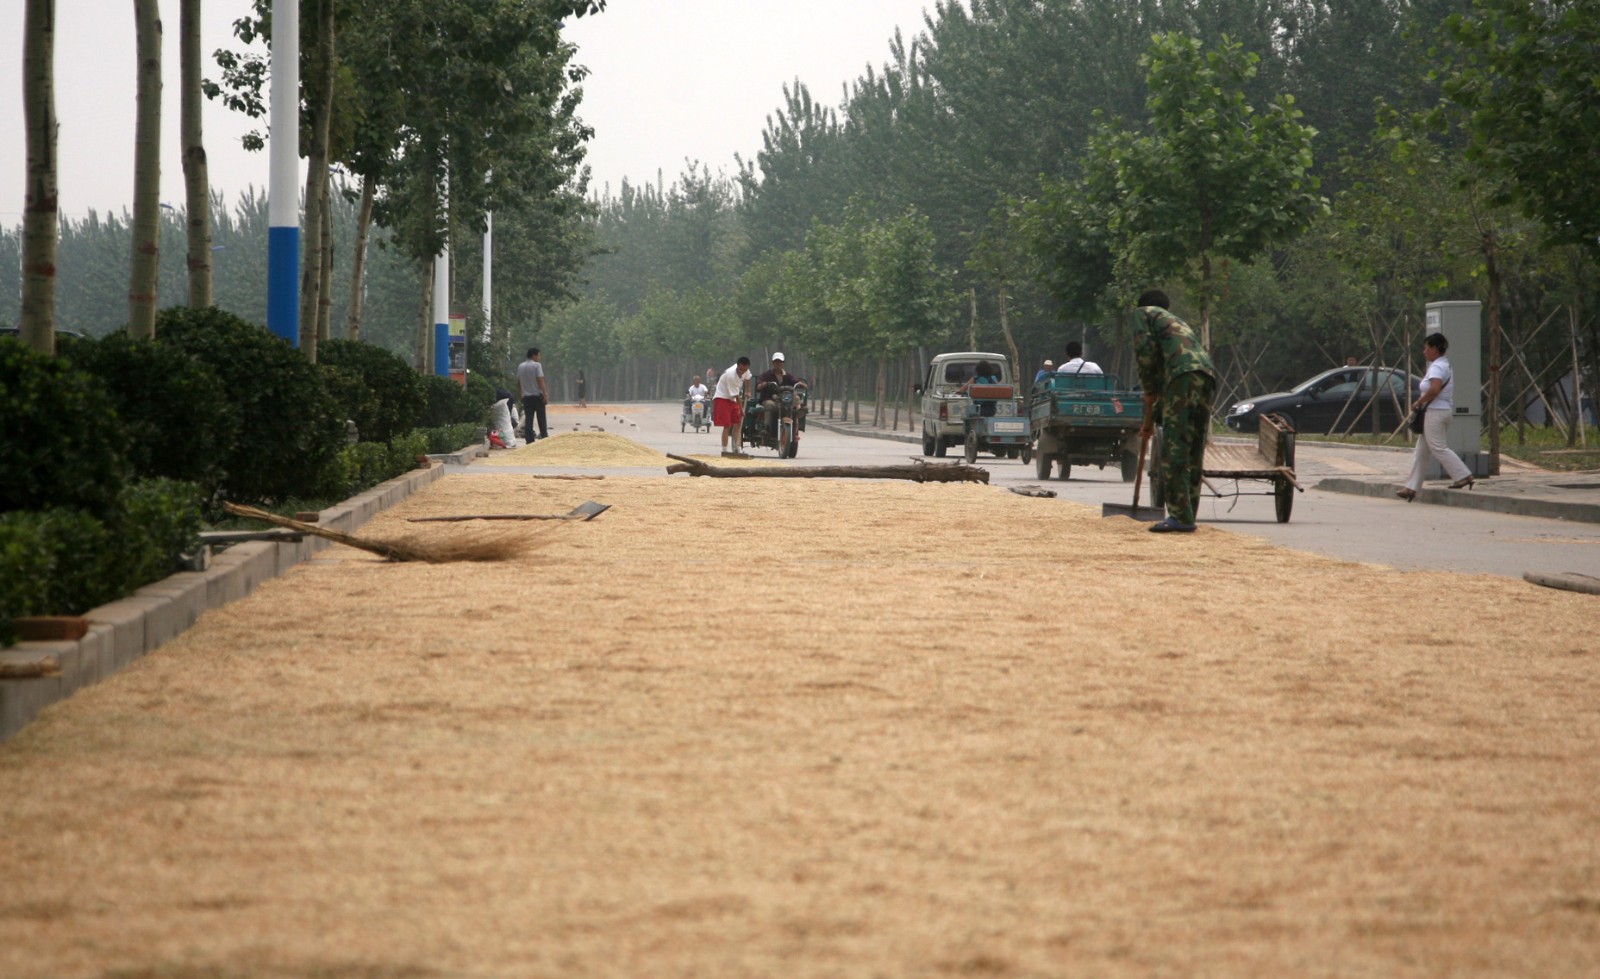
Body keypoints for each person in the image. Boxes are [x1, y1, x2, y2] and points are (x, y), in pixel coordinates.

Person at [1135, 290, 1217, 533]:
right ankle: (1188, 513)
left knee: (1175, 447)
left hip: (1181, 376)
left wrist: (1148, 390)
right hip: (1206, 375)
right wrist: (1152, 417)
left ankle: (1179, 517)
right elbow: (1163, 367)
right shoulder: (1174, 322)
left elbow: (1145, 354)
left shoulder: (1142, 313)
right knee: (1193, 447)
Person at [1397, 332, 1475, 501]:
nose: (1424, 352)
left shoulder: (1437, 367)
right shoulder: (1444, 365)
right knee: (1421, 452)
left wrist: (1419, 401)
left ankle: (1463, 475)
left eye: (1426, 348)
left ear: (1435, 348)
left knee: (1438, 447)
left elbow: (1434, 389)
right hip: (1440, 411)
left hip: (1435, 412)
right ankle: (1411, 487)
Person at [755, 352, 808, 442]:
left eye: (780, 362)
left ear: (783, 363)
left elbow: (795, 381)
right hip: (770, 399)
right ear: (773, 363)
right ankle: (767, 428)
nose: (778, 364)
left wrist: (801, 384)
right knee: (770, 405)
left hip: (785, 400)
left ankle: (794, 430)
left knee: (795, 406)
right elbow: (758, 386)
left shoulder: (787, 375)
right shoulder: (766, 375)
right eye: (776, 362)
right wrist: (763, 384)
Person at [713, 357, 752, 454]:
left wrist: (748, 391)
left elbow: (747, 379)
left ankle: (736, 447)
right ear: (737, 366)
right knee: (727, 425)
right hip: (722, 397)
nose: (742, 372)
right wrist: (741, 409)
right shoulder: (731, 375)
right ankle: (724, 449)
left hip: (732, 399)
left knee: (737, 423)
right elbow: (736, 395)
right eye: (740, 370)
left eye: (744, 370)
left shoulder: (745, 370)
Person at [517, 347, 549, 442]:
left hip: (526, 397)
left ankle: (529, 440)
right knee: (541, 419)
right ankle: (544, 438)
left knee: (529, 420)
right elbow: (540, 379)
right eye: (539, 355)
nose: (540, 357)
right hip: (537, 396)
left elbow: (518, 382)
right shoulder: (537, 365)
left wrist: (521, 394)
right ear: (534, 355)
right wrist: (545, 394)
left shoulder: (520, 366)